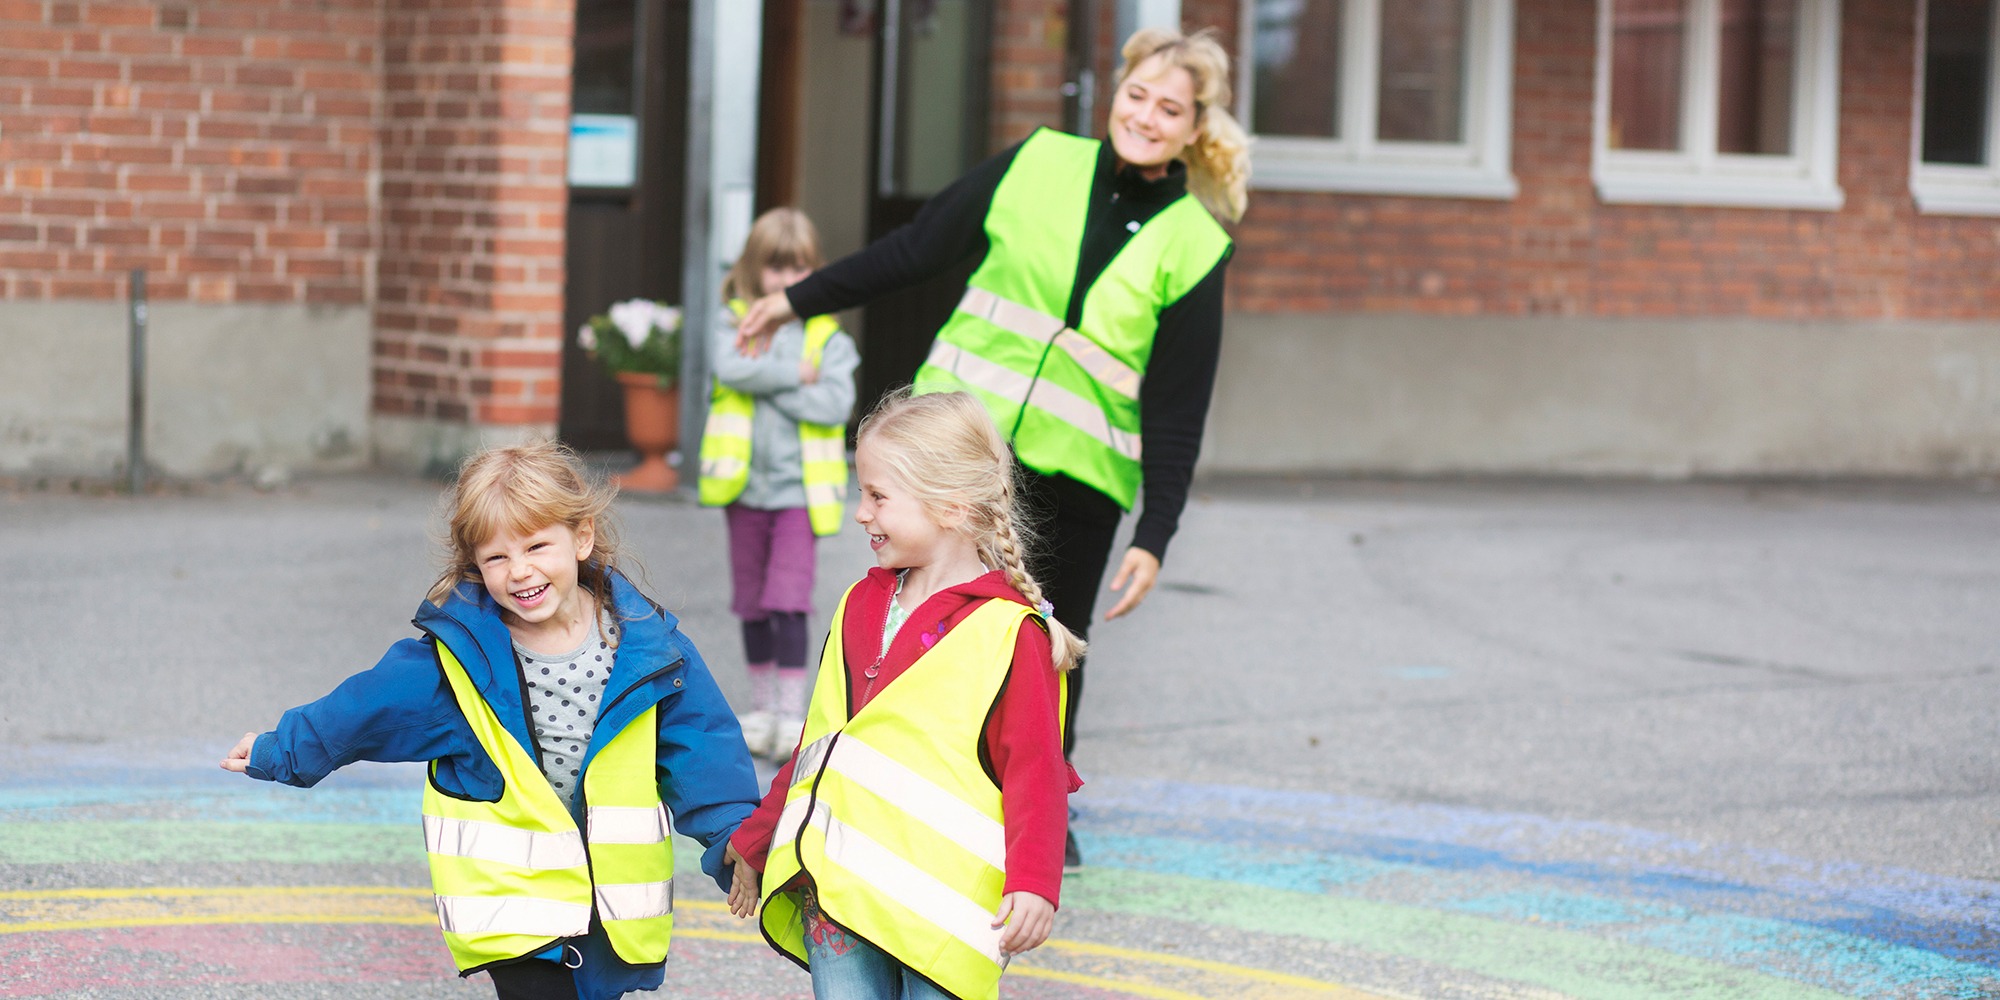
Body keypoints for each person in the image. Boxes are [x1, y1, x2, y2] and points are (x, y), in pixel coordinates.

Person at [735, 27, 1249, 868]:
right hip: (961, 452)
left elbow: (1179, 399)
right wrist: (799, 301)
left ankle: (1038, 815)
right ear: (1113, 94)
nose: (1147, 117)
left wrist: (1158, 533)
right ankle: (866, 774)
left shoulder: (1197, 243)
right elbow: (916, 249)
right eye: (1137, 96)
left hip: (1081, 474)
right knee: (911, 613)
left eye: (1171, 109)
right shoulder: (1038, 161)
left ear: (1196, 128)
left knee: (1050, 644)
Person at [220, 441, 760, 1000]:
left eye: (536, 546)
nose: (520, 571)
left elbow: (702, 749)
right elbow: (364, 709)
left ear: (582, 537)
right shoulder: (457, 660)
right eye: (497, 557)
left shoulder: (651, 650)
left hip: (608, 899)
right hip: (511, 904)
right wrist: (279, 748)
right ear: (475, 565)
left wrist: (735, 838)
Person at [721, 389, 1084, 1000]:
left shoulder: (1011, 633)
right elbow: (823, 743)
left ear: (950, 506)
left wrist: (1035, 882)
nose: (860, 512)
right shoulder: (858, 604)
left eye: (878, 496)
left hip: (942, 905)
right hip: (837, 888)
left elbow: (1035, 773)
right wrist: (759, 837)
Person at [698, 207, 860, 760]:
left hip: (799, 495)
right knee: (752, 603)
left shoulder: (826, 336)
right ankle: (763, 709)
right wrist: (795, 377)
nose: (785, 282)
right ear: (752, 271)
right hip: (743, 490)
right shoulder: (734, 321)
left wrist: (767, 382)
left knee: (787, 601)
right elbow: (730, 370)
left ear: (813, 272)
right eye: (774, 270)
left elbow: (836, 402)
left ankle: (793, 714)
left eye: (797, 271)